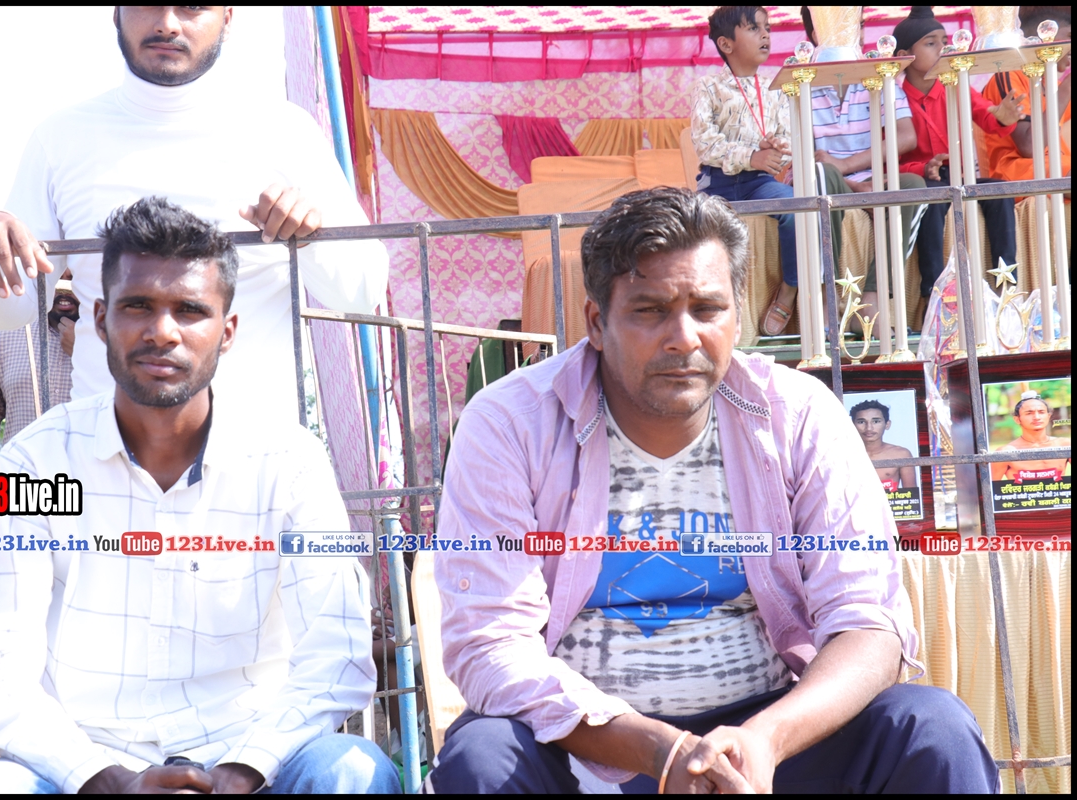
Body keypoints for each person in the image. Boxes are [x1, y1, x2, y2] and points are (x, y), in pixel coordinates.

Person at [428, 187, 998, 793]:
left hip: (769, 740)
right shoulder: (510, 424)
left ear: (737, 315)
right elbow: (491, 644)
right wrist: (662, 751)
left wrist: (766, 738)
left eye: (707, 308)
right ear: (596, 322)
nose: (684, 337)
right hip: (586, 747)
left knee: (932, 729)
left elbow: (868, 622)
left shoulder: (798, 415)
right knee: (483, 758)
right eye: (650, 310)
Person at [0, 198, 399, 794]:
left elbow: (336, 652)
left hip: (255, 755)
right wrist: (107, 779)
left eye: (190, 310)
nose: (162, 332)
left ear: (227, 332)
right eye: (138, 306)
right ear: (101, 319)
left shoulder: (288, 461)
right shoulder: (35, 461)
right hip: (84, 763)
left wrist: (244, 770)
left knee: (352, 771)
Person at [0, 6, 388, 434]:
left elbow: (361, 293)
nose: (167, 23)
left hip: (254, 454)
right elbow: (8, 313)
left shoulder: (285, 132)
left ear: (227, 17)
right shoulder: (60, 138)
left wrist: (311, 237)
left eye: (191, 6)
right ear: (116, 13)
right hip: (103, 454)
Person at [800, 7, 928, 331]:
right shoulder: (800, 83)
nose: (856, 31)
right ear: (816, 33)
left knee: (914, 185)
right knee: (820, 175)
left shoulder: (879, 77)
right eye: (845, 23)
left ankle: (873, 296)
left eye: (858, 24)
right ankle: (828, 297)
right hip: (824, 179)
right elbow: (800, 159)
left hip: (867, 177)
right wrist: (852, 184)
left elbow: (906, 136)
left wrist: (848, 167)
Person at [894, 8, 1023, 306]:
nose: (943, 48)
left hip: (960, 177)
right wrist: (922, 168)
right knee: (932, 199)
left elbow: (987, 115)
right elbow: (889, 161)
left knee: (1001, 192)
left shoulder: (955, 85)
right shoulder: (894, 99)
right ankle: (934, 294)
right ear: (904, 55)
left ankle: (1006, 289)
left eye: (944, 41)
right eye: (931, 43)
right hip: (922, 180)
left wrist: (1002, 116)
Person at [691, 6, 796, 336]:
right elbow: (705, 144)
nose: (765, 35)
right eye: (753, 28)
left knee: (798, 207)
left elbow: (789, 136)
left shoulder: (775, 88)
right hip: (717, 184)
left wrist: (777, 145)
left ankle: (789, 291)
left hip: (760, 184)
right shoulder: (708, 87)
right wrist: (751, 156)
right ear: (726, 44)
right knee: (695, 230)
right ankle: (710, 306)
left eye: (767, 28)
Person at [0, 271, 79, 473]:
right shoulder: (5, 339)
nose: (64, 288)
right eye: (57, 276)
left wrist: (88, 352)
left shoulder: (114, 340)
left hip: (90, 484)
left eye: (72, 278)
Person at [982, 7, 1072, 183]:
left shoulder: (1053, 84)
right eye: (1069, 36)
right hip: (1017, 172)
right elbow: (1030, 147)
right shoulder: (1010, 74)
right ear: (1044, 36)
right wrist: (1067, 87)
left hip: (1058, 167)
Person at [991, 391, 1071, 482]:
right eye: (1029, 413)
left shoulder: (1065, 446)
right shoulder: (1005, 453)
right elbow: (989, 487)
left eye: (1041, 412)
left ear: (1048, 416)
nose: (1036, 417)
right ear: (1017, 419)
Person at [849, 399, 917, 491]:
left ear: (887, 424)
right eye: (861, 422)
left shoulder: (901, 454)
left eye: (876, 421)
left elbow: (911, 495)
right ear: (852, 425)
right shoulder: (843, 455)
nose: (869, 428)